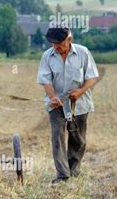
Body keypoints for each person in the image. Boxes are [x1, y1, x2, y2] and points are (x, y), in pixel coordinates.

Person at [37, 25, 99, 185]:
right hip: (56, 105)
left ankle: (74, 171)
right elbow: (45, 80)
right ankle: (63, 175)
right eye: (53, 44)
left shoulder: (83, 53)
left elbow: (91, 77)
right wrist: (52, 97)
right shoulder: (47, 56)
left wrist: (80, 91)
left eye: (60, 43)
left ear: (69, 39)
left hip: (79, 104)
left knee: (78, 139)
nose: (56, 47)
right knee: (57, 136)